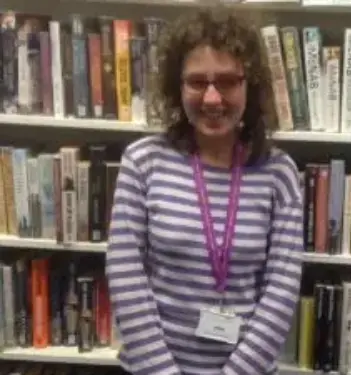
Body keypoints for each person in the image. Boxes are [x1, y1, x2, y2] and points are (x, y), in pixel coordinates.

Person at [105, 5, 304, 375]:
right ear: (176, 86)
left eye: (227, 81)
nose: (212, 99)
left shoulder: (280, 173)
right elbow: (125, 274)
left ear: (251, 85)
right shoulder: (143, 162)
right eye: (197, 82)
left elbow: (281, 290)